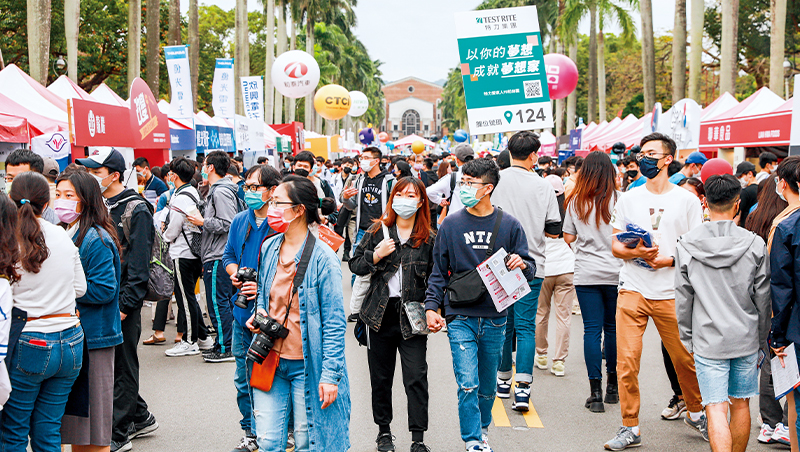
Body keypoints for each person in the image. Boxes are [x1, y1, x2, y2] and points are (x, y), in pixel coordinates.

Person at [604, 133, 706, 451]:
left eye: (651, 153)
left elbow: (696, 248)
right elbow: (615, 245)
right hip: (632, 288)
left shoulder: (687, 201)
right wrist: (637, 253)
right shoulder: (629, 198)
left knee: (684, 359)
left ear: (667, 159)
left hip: (671, 291)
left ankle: (696, 412)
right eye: (642, 154)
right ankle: (630, 426)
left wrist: (668, 260)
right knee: (626, 361)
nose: (644, 158)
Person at [424, 158, 535, 452]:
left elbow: (530, 268)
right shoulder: (451, 224)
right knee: (468, 383)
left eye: (470, 183)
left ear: (488, 188)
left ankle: (483, 429)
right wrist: (431, 307)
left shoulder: (509, 225)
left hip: (496, 317)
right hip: (460, 315)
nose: (463, 187)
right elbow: (438, 271)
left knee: (487, 386)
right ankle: (472, 439)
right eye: (462, 182)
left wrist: (522, 264)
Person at [247, 176, 349, 452]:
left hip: (308, 365)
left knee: (306, 442)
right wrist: (259, 313)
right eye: (271, 202)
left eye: (278, 203)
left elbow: (335, 323)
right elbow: (263, 294)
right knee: (268, 442)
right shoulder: (269, 247)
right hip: (269, 359)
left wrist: (330, 375)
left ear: (299, 210)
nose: (271, 208)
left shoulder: (323, 258)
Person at [675, 174, 770, 452]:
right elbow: (763, 298)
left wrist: (688, 337)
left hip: (707, 338)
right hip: (745, 336)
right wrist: (761, 338)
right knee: (741, 404)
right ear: (737, 203)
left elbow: (683, 298)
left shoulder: (686, 244)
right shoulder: (754, 244)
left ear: (705, 202)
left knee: (715, 407)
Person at [77, 148, 158, 452]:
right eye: (88, 171)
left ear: (114, 175)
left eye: (95, 172)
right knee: (113, 365)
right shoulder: (97, 203)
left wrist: (126, 305)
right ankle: (139, 414)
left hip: (122, 301)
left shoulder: (136, 208)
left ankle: (119, 431)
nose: (90, 176)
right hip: (103, 300)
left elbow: (139, 264)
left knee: (122, 366)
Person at [0, 172, 86, 451]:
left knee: (13, 431)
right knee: (49, 430)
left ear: (10, 200)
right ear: (46, 204)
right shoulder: (62, 235)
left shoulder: (8, 241)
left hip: (30, 341)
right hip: (71, 341)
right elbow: (81, 288)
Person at [350, 177, 435, 452]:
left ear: (420, 202)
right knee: (381, 379)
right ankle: (383, 433)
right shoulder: (378, 230)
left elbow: (436, 278)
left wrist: (436, 309)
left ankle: (418, 439)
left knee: (416, 378)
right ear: (392, 198)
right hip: (379, 316)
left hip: (412, 317)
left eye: (411, 195)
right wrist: (376, 255)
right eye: (400, 194)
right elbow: (355, 265)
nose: (404, 200)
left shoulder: (428, 238)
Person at [490, 131, 561, 410]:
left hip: (497, 265)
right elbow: (554, 229)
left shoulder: (495, 180)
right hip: (532, 264)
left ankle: (502, 380)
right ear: (534, 155)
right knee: (526, 327)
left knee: (503, 325)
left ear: (509, 152)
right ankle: (523, 389)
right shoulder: (544, 186)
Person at [56, 168, 124, 452]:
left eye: (69, 195)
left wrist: (63, 290)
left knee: (95, 428)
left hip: (95, 338)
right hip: (77, 337)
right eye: (58, 194)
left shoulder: (95, 238)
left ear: (86, 199)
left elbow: (105, 289)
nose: (61, 201)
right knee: (79, 428)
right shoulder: (67, 233)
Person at [223, 164, 282, 452]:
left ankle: (279, 431)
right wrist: (236, 274)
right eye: (246, 187)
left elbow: (291, 269)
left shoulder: (281, 222)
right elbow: (228, 256)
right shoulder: (240, 220)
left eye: (254, 187)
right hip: (241, 313)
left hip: (272, 316)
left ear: (272, 191)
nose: (248, 192)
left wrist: (262, 286)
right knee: (242, 378)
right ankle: (251, 432)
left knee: (274, 375)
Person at [563, 151, 622, 413]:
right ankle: (613, 388)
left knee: (591, 330)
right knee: (612, 329)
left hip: (586, 273)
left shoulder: (576, 201)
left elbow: (568, 237)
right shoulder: (621, 199)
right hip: (617, 273)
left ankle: (595, 393)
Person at [745, 175, 792, 446]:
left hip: (760, 296)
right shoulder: (789, 220)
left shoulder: (755, 216)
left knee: (769, 359)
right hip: (783, 296)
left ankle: (768, 423)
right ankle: (786, 423)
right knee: (788, 357)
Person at [185, 151, 241, 363]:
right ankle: (223, 344)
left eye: (204, 165)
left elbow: (228, 223)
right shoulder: (218, 190)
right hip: (216, 253)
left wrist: (203, 222)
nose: (202, 169)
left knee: (218, 303)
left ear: (210, 167)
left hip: (218, 254)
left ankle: (226, 347)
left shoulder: (221, 191)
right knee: (220, 302)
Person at [161, 157, 212, 356]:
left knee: (185, 299)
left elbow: (174, 227)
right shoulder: (192, 192)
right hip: (194, 252)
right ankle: (204, 338)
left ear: (174, 175)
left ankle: (189, 341)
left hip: (182, 252)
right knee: (189, 297)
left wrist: (164, 237)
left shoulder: (180, 197)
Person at [767, 156, 800, 452]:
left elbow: (782, 288)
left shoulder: (786, 226)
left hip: (796, 328)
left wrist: (776, 336)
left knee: (797, 402)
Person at [342, 147, 395, 265]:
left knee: (380, 265)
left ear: (376, 161)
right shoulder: (360, 180)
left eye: (366, 158)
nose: (362, 161)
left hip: (382, 230)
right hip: (362, 230)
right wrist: (345, 198)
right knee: (358, 266)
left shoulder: (389, 181)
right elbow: (352, 205)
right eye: (362, 158)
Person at [5, 149, 59, 224]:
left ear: (38, 178)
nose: (15, 184)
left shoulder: (54, 222)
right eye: (10, 178)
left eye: (21, 178)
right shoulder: (3, 217)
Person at [426, 144, 475, 216]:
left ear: (457, 160)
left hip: (455, 217)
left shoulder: (451, 177)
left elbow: (429, 191)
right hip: (477, 218)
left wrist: (440, 201)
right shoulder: (480, 177)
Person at [735, 161, 758, 227]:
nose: (739, 179)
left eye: (740, 176)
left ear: (750, 174)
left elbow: (738, 214)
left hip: (746, 226)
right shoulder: (763, 188)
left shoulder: (745, 192)